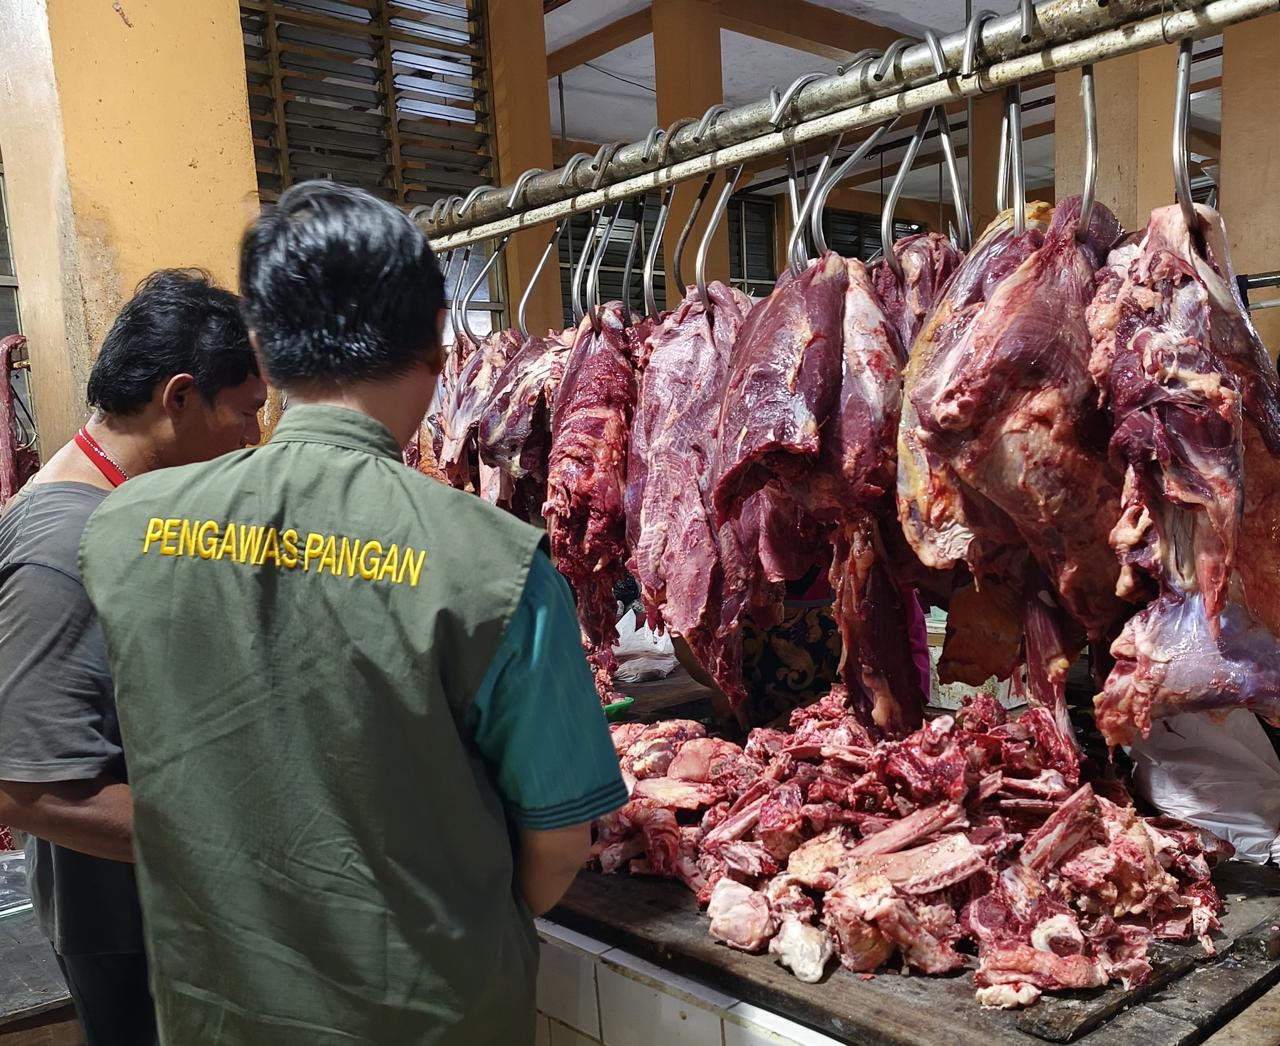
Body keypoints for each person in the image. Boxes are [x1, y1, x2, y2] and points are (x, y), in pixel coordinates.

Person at [77, 182, 628, 1045]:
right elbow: (559, 849)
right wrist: (447, 936)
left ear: (260, 347)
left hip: (214, 1017)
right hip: (430, 1019)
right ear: (440, 348)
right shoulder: (494, 565)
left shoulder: (121, 534)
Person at [0, 269, 267, 1046]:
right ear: (178, 397)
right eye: (249, 412)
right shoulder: (65, 542)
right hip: (135, 930)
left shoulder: (122, 509)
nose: (255, 437)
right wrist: (247, 839)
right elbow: (29, 789)